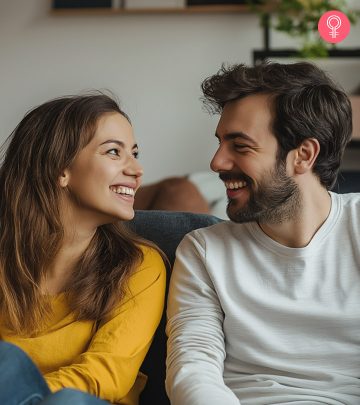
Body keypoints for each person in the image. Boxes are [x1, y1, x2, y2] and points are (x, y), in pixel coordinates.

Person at [166, 61, 360, 404]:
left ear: (303, 155)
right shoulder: (204, 251)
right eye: (220, 143)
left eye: (239, 146)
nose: (217, 163)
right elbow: (193, 368)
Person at [0, 94, 166, 405]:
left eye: (135, 153)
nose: (137, 169)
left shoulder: (140, 265)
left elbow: (105, 377)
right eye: (114, 152)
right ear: (60, 168)